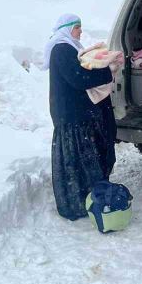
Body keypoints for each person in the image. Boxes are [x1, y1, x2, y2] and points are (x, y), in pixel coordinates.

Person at [42, 13, 118, 220]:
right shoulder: (62, 49)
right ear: (66, 29)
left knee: (83, 158)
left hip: (75, 113)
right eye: (77, 27)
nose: (80, 31)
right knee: (76, 160)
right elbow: (79, 78)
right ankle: (76, 203)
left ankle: (87, 197)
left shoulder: (69, 48)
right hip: (71, 115)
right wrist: (107, 72)